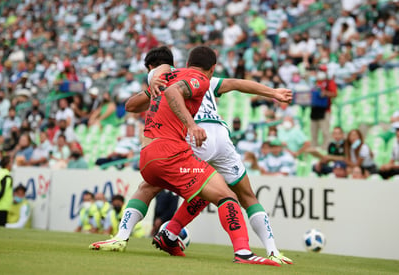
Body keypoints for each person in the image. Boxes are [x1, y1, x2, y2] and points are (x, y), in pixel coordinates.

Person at [90, 46, 293, 265]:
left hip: (195, 136)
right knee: (242, 195)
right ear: (212, 69)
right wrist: (273, 92)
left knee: (151, 187)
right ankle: (272, 250)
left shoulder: (169, 76)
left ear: (186, 64)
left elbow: (155, 82)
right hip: (221, 137)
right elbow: (237, 83)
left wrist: (155, 82)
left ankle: (131, 235)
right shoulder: (207, 80)